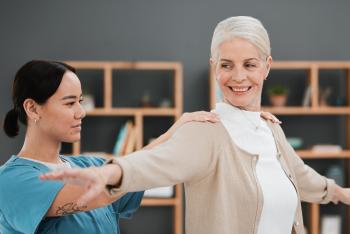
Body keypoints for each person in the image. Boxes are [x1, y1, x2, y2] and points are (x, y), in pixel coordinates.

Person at [39, 16, 344, 234]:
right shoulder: (206, 131)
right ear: (214, 68)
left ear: (267, 67)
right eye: (226, 65)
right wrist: (110, 172)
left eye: (249, 64)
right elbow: (157, 163)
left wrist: (340, 193)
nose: (238, 77)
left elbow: (301, 176)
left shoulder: (271, 129)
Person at [0, 60, 230, 234]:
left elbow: (137, 166)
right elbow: (98, 193)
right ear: (32, 108)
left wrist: (177, 129)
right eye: (70, 103)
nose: (81, 112)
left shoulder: (87, 164)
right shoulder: (12, 180)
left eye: (80, 102)